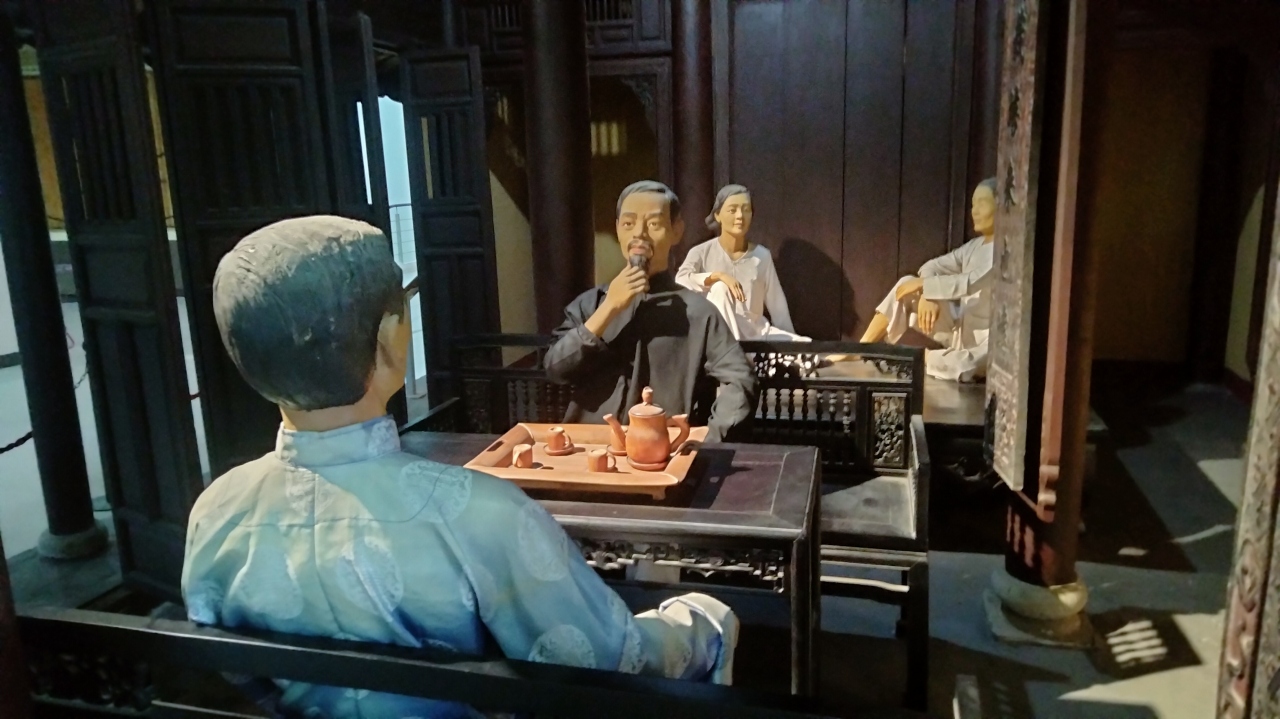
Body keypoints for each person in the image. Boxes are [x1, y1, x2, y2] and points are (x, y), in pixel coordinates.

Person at [183, 215, 738, 719]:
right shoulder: (479, 513)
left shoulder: (216, 513)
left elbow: (239, 672)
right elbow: (610, 662)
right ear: (389, 340)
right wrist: (703, 620)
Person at [545, 181, 757, 442]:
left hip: (660, 450)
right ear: (618, 229)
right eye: (628, 223)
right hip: (587, 447)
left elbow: (740, 379)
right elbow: (556, 368)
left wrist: (708, 439)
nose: (639, 234)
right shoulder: (590, 304)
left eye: (654, 224)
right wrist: (609, 308)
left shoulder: (698, 312)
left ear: (676, 231)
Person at [859, 178, 997, 382]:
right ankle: (861, 348)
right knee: (907, 284)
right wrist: (926, 295)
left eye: (982, 204)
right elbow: (932, 266)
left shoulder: (1005, 250)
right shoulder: (974, 246)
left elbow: (970, 282)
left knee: (968, 364)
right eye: (972, 205)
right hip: (959, 331)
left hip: (986, 342)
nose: (974, 211)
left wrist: (926, 286)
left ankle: (917, 358)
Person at [675, 184, 810, 342]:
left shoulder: (762, 256)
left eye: (746, 210)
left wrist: (792, 345)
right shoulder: (701, 252)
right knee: (719, 288)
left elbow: (778, 307)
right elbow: (681, 280)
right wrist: (718, 276)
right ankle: (731, 351)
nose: (740, 216)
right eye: (732, 210)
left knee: (804, 345)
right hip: (717, 338)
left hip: (755, 334)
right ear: (718, 215)